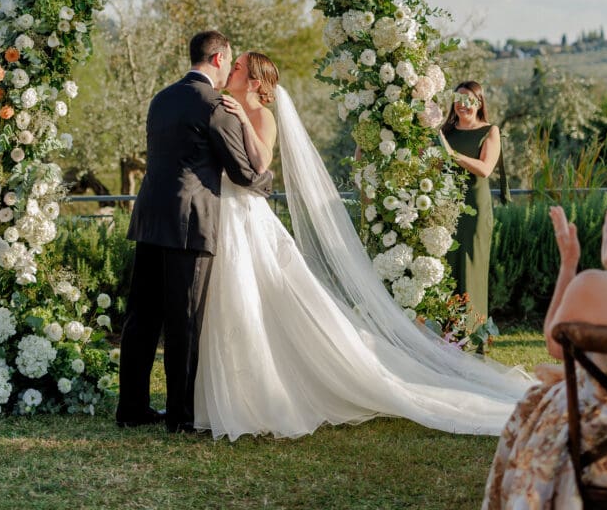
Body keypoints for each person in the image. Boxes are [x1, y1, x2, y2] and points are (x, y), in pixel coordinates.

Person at [191, 53, 530, 441]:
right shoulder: (224, 107)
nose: (230, 68)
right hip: (225, 212)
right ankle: (235, 387)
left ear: (254, 82)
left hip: (246, 212)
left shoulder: (262, 117)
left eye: (238, 67)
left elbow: (262, 162)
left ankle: (261, 392)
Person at [115, 31, 273, 433]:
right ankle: (181, 416)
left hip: (150, 216)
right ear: (219, 58)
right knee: (184, 320)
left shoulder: (162, 97)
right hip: (190, 221)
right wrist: (267, 180)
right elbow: (241, 171)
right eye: (230, 61)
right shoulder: (213, 104)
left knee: (141, 318)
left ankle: (131, 408)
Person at [482, 182, 607, 508]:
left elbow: (556, 346)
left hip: (598, 454)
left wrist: (571, 264)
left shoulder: (594, 285)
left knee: (539, 398)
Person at [439, 81, 504, 323]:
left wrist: (452, 154)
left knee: (470, 267)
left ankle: (471, 335)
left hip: (474, 208)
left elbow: (485, 169)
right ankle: (445, 335)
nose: (462, 104)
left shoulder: (490, 131)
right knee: (447, 267)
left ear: (479, 103)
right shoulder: (445, 133)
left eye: (468, 99)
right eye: (458, 99)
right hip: (444, 207)